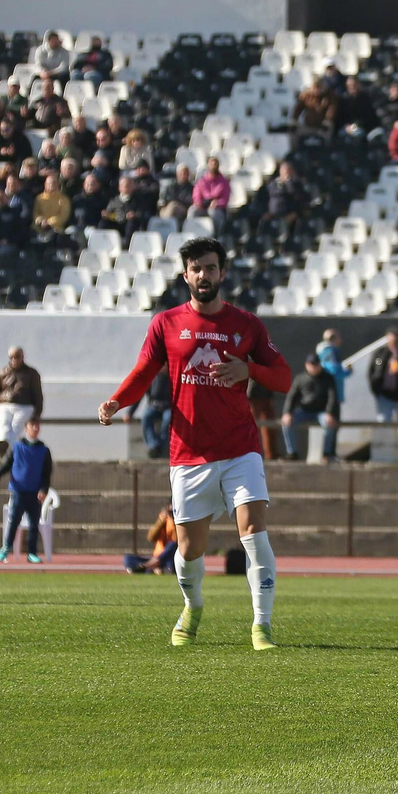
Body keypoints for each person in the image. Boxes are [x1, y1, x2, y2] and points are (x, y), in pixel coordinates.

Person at [97, 236, 294, 650]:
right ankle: (193, 605)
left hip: (241, 447)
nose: (204, 275)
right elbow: (143, 371)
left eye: (210, 267)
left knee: (254, 533)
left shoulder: (246, 325)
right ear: (185, 275)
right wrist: (117, 400)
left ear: (222, 273)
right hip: (189, 453)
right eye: (196, 268)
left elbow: (283, 378)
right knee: (188, 549)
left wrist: (250, 369)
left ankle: (262, 625)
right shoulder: (165, 323)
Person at [0, 419, 53, 565]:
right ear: (26, 428)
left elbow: (46, 473)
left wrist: (44, 490)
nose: (35, 428)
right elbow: (6, 465)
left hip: (34, 493)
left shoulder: (44, 450)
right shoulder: (17, 447)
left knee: (33, 524)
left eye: (37, 426)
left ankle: (32, 553)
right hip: (18, 491)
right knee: (14, 520)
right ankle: (6, 547)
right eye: (32, 425)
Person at [367, 328, 398, 461]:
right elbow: (372, 372)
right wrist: (376, 392)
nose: (395, 340)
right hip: (385, 395)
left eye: (397, 337)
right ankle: (384, 453)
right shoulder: (380, 353)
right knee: (384, 423)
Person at [281, 354, 340, 461]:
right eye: (311, 364)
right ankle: (292, 453)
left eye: (316, 364)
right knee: (286, 423)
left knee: (329, 424)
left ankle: (326, 454)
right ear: (306, 365)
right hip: (304, 411)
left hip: (321, 412)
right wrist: (287, 413)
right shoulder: (300, 378)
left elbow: (332, 397)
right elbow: (292, 396)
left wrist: (330, 413)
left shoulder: (328, 378)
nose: (314, 367)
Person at [0, 347, 43, 459]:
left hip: (24, 406)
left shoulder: (32, 374)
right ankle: (5, 447)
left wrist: (37, 414)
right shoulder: (2, 372)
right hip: (4, 404)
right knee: (3, 424)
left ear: (22, 357)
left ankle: (6, 452)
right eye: (12, 357)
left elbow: (38, 395)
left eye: (17, 357)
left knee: (16, 427)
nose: (14, 359)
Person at [126, 367, 173, 459]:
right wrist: (130, 413)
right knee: (146, 418)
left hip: (168, 406)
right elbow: (139, 395)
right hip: (153, 406)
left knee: (168, 419)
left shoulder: (173, 378)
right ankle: (153, 445)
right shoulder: (152, 378)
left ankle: (163, 446)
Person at [125, 506, 178, 574]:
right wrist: (161, 521)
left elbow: (177, 540)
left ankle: (149, 568)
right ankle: (152, 568)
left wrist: (174, 521)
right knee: (128, 558)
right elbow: (151, 537)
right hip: (155, 559)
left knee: (172, 544)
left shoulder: (179, 522)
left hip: (169, 559)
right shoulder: (163, 520)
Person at [190, 156, 231, 229]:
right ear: (208, 165)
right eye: (211, 163)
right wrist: (199, 203)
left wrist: (217, 203)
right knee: (192, 211)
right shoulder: (202, 181)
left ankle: (216, 233)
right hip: (203, 206)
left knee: (213, 212)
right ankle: (192, 231)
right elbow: (196, 194)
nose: (213, 165)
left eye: (215, 163)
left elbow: (225, 198)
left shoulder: (224, 182)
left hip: (217, 208)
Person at [316, 328, 351, 405]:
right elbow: (334, 370)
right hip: (332, 392)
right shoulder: (331, 351)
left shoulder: (325, 352)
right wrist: (348, 371)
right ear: (334, 338)